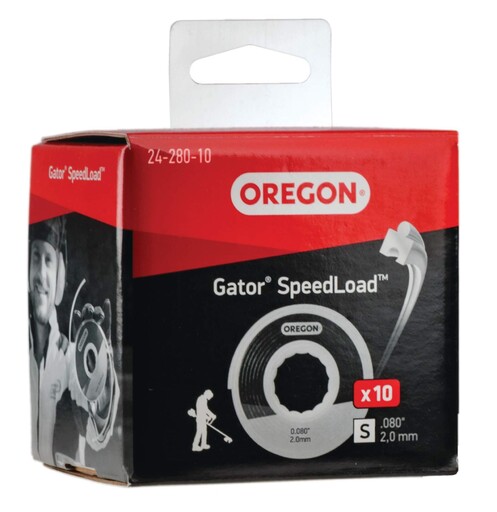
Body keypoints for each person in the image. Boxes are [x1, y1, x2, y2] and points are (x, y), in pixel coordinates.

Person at [28, 217, 119, 468]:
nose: (40, 275)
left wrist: (102, 389)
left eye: (48, 260)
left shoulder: (71, 359)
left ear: (60, 275)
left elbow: (96, 437)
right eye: (35, 257)